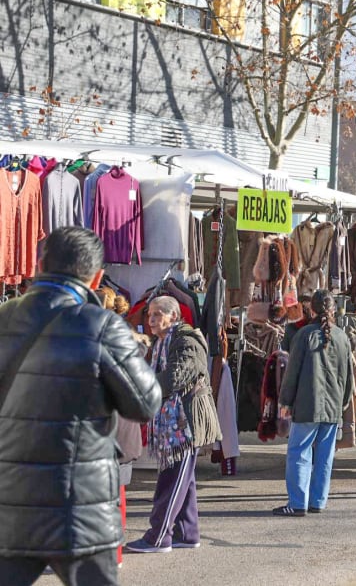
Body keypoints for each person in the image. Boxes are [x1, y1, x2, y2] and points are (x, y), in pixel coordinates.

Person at [0, 227, 161, 585]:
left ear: (39, 264)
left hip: (10, 505)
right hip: (80, 509)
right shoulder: (101, 325)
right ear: (97, 277)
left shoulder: (4, 319)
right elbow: (145, 404)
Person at [125, 296, 222, 553]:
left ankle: (158, 537)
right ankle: (187, 533)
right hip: (176, 422)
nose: (151, 319)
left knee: (172, 479)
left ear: (175, 317)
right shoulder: (162, 342)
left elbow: (177, 376)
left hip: (184, 423)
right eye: (149, 315)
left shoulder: (186, 340)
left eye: (158, 314)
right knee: (183, 480)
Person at [273, 290, 354, 517]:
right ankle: (318, 500)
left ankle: (298, 502)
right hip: (333, 405)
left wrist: (285, 401)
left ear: (313, 309)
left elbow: (292, 372)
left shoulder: (305, 335)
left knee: (299, 452)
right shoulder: (342, 337)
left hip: (308, 404)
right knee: (325, 456)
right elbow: (349, 377)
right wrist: (344, 402)